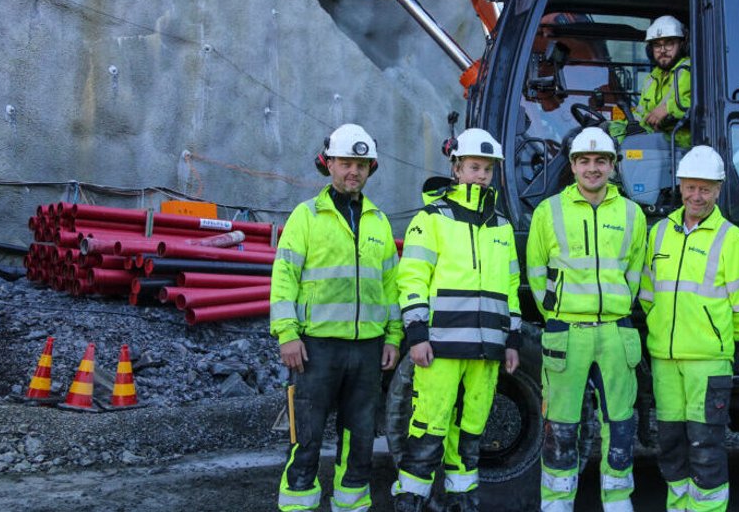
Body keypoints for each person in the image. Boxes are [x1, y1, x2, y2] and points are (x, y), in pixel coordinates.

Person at [271, 123, 402, 512]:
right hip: (316, 349)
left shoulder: (378, 221)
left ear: (370, 169)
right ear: (328, 164)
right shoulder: (306, 216)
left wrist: (394, 337)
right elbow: (284, 279)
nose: (353, 172)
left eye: (361, 165)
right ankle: (298, 505)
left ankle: (351, 506)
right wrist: (286, 334)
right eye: (345, 163)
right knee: (306, 438)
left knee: (360, 439)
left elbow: (391, 287)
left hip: (367, 350)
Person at [391, 128, 523, 512]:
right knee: (428, 429)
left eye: (487, 169)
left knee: (471, 433)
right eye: (474, 167)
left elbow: (511, 288)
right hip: (441, 348)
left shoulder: (500, 227)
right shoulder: (431, 219)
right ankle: (411, 500)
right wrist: (417, 335)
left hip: (487, 352)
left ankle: (462, 500)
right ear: (457, 168)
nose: (481, 175)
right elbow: (412, 278)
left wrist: (512, 340)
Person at [527, 126, 647, 512]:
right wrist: (559, 313)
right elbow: (535, 272)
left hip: (615, 332)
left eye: (600, 161)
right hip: (567, 332)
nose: (592, 168)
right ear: (573, 166)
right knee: (560, 426)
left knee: (621, 425)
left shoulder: (632, 213)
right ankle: (557, 503)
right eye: (584, 161)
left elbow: (636, 272)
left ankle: (617, 501)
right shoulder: (549, 212)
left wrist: (616, 306)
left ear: (612, 166)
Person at [639, 146, 739, 512]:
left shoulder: (732, 238)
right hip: (665, 359)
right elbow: (646, 295)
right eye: (690, 187)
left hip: (708, 362)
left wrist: (716, 339)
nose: (696, 196)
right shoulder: (659, 233)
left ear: (719, 190)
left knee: (706, 448)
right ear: (681, 186)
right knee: (671, 445)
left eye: (705, 188)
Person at [609, 15, 693, 147]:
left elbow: (700, 105)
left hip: (681, 145)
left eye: (669, 43)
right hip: (655, 142)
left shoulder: (688, 69)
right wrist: (614, 126)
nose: (663, 50)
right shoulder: (652, 78)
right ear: (650, 50)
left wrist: (668, 108)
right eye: (657, 45)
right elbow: (641, 114)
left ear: (682, 45)